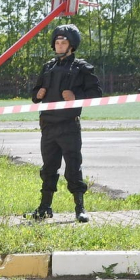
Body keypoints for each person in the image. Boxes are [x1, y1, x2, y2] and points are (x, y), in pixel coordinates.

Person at [28, 23, 103, 223]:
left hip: (69, 125)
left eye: (64, 42)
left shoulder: (82, 68)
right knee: (48, 168)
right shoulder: (47, 68)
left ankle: (80, 208)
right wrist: (38, 94)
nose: (60, 45)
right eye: (57, 42)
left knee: (73, 168)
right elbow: (34, 95)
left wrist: (75, 96)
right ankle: (45, 208)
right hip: (48, 125)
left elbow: (96, 94)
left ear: (72, 45)